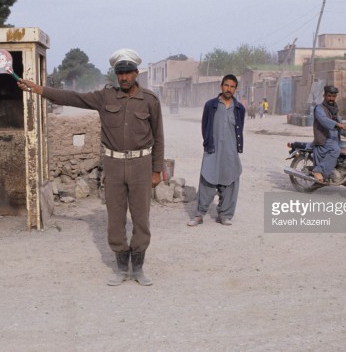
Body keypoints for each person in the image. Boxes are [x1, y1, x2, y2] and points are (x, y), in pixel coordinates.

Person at [17, 49, 164, 286]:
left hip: (141, 165)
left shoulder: (150, 100)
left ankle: (137, 269)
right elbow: (73, 97)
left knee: (141, 219)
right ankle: (120, 269)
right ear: (116, 75)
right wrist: (39, 89)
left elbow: (159, 136)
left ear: (136, 73)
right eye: (120, 73)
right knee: (115, 219)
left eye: (128, 73)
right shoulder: (105, 98)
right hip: (114, 165)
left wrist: (157, 170)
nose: (124, 77)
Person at [188, 74, 245, 227]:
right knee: (207, 180)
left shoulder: (240, 108)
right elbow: (204, 127)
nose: (229, 89)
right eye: (226, 85)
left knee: (230, 182)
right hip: (213, 150)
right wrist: (208, 143)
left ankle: (225, 215)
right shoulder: (210, 105)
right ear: (221, 86)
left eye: (232, 87)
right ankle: (199, 214)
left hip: (230, 152)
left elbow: (240, 129)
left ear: (236, 89)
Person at [311, 85, 346, 183]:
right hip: (324, 139)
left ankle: (343, 177)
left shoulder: (334, 109)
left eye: (333, 96)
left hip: (334, 139)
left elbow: (340, 127)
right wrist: (339, 124)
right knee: (336, 150)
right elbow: (324, 121)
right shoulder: (319, 108)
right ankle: (318, 170)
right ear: (324, 96)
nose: (331, 98)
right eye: (329, 96)